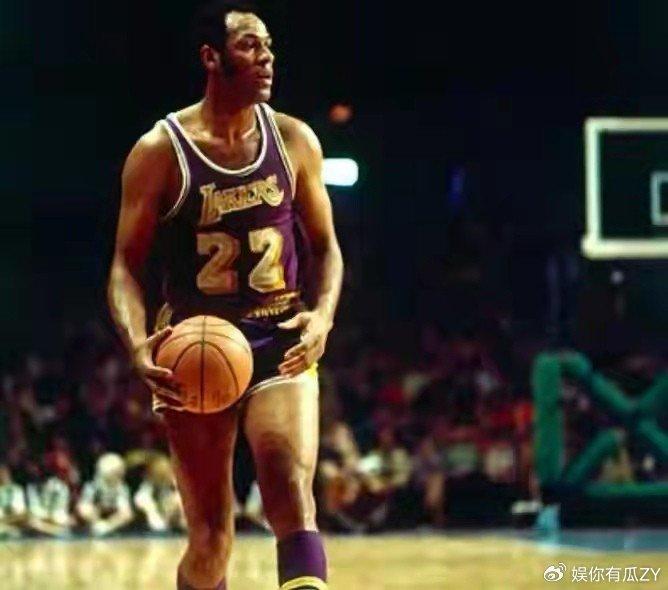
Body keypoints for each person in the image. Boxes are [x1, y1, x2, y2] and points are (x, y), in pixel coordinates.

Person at [107, 1, 343, 588]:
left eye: (269, 46)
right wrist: (137, 344)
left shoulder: (294, 140)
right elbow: (124, 268)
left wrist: (322, 318)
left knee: (291, 495)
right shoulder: (160, 151)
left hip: (279, 336)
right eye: (249, 45)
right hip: (194, 345)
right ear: (211, 57)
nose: (266, 57)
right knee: (212, 539)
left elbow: (327, 249)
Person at [76, 453, 134, 537]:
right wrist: (96, 521)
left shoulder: (122, 488)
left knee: (127, 514)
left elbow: (125, 511)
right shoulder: (92, 486)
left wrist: (109, 525)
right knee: (84, 508)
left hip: (113, 520)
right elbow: (84, 506)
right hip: (95, 519)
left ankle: (106, 528)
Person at [134, 455, 187, 533]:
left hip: (172, 527)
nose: (167, 477)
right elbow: (158, 526)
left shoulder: (172, 488)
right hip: (153, 531)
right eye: (162, 475)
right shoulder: (143, 496)